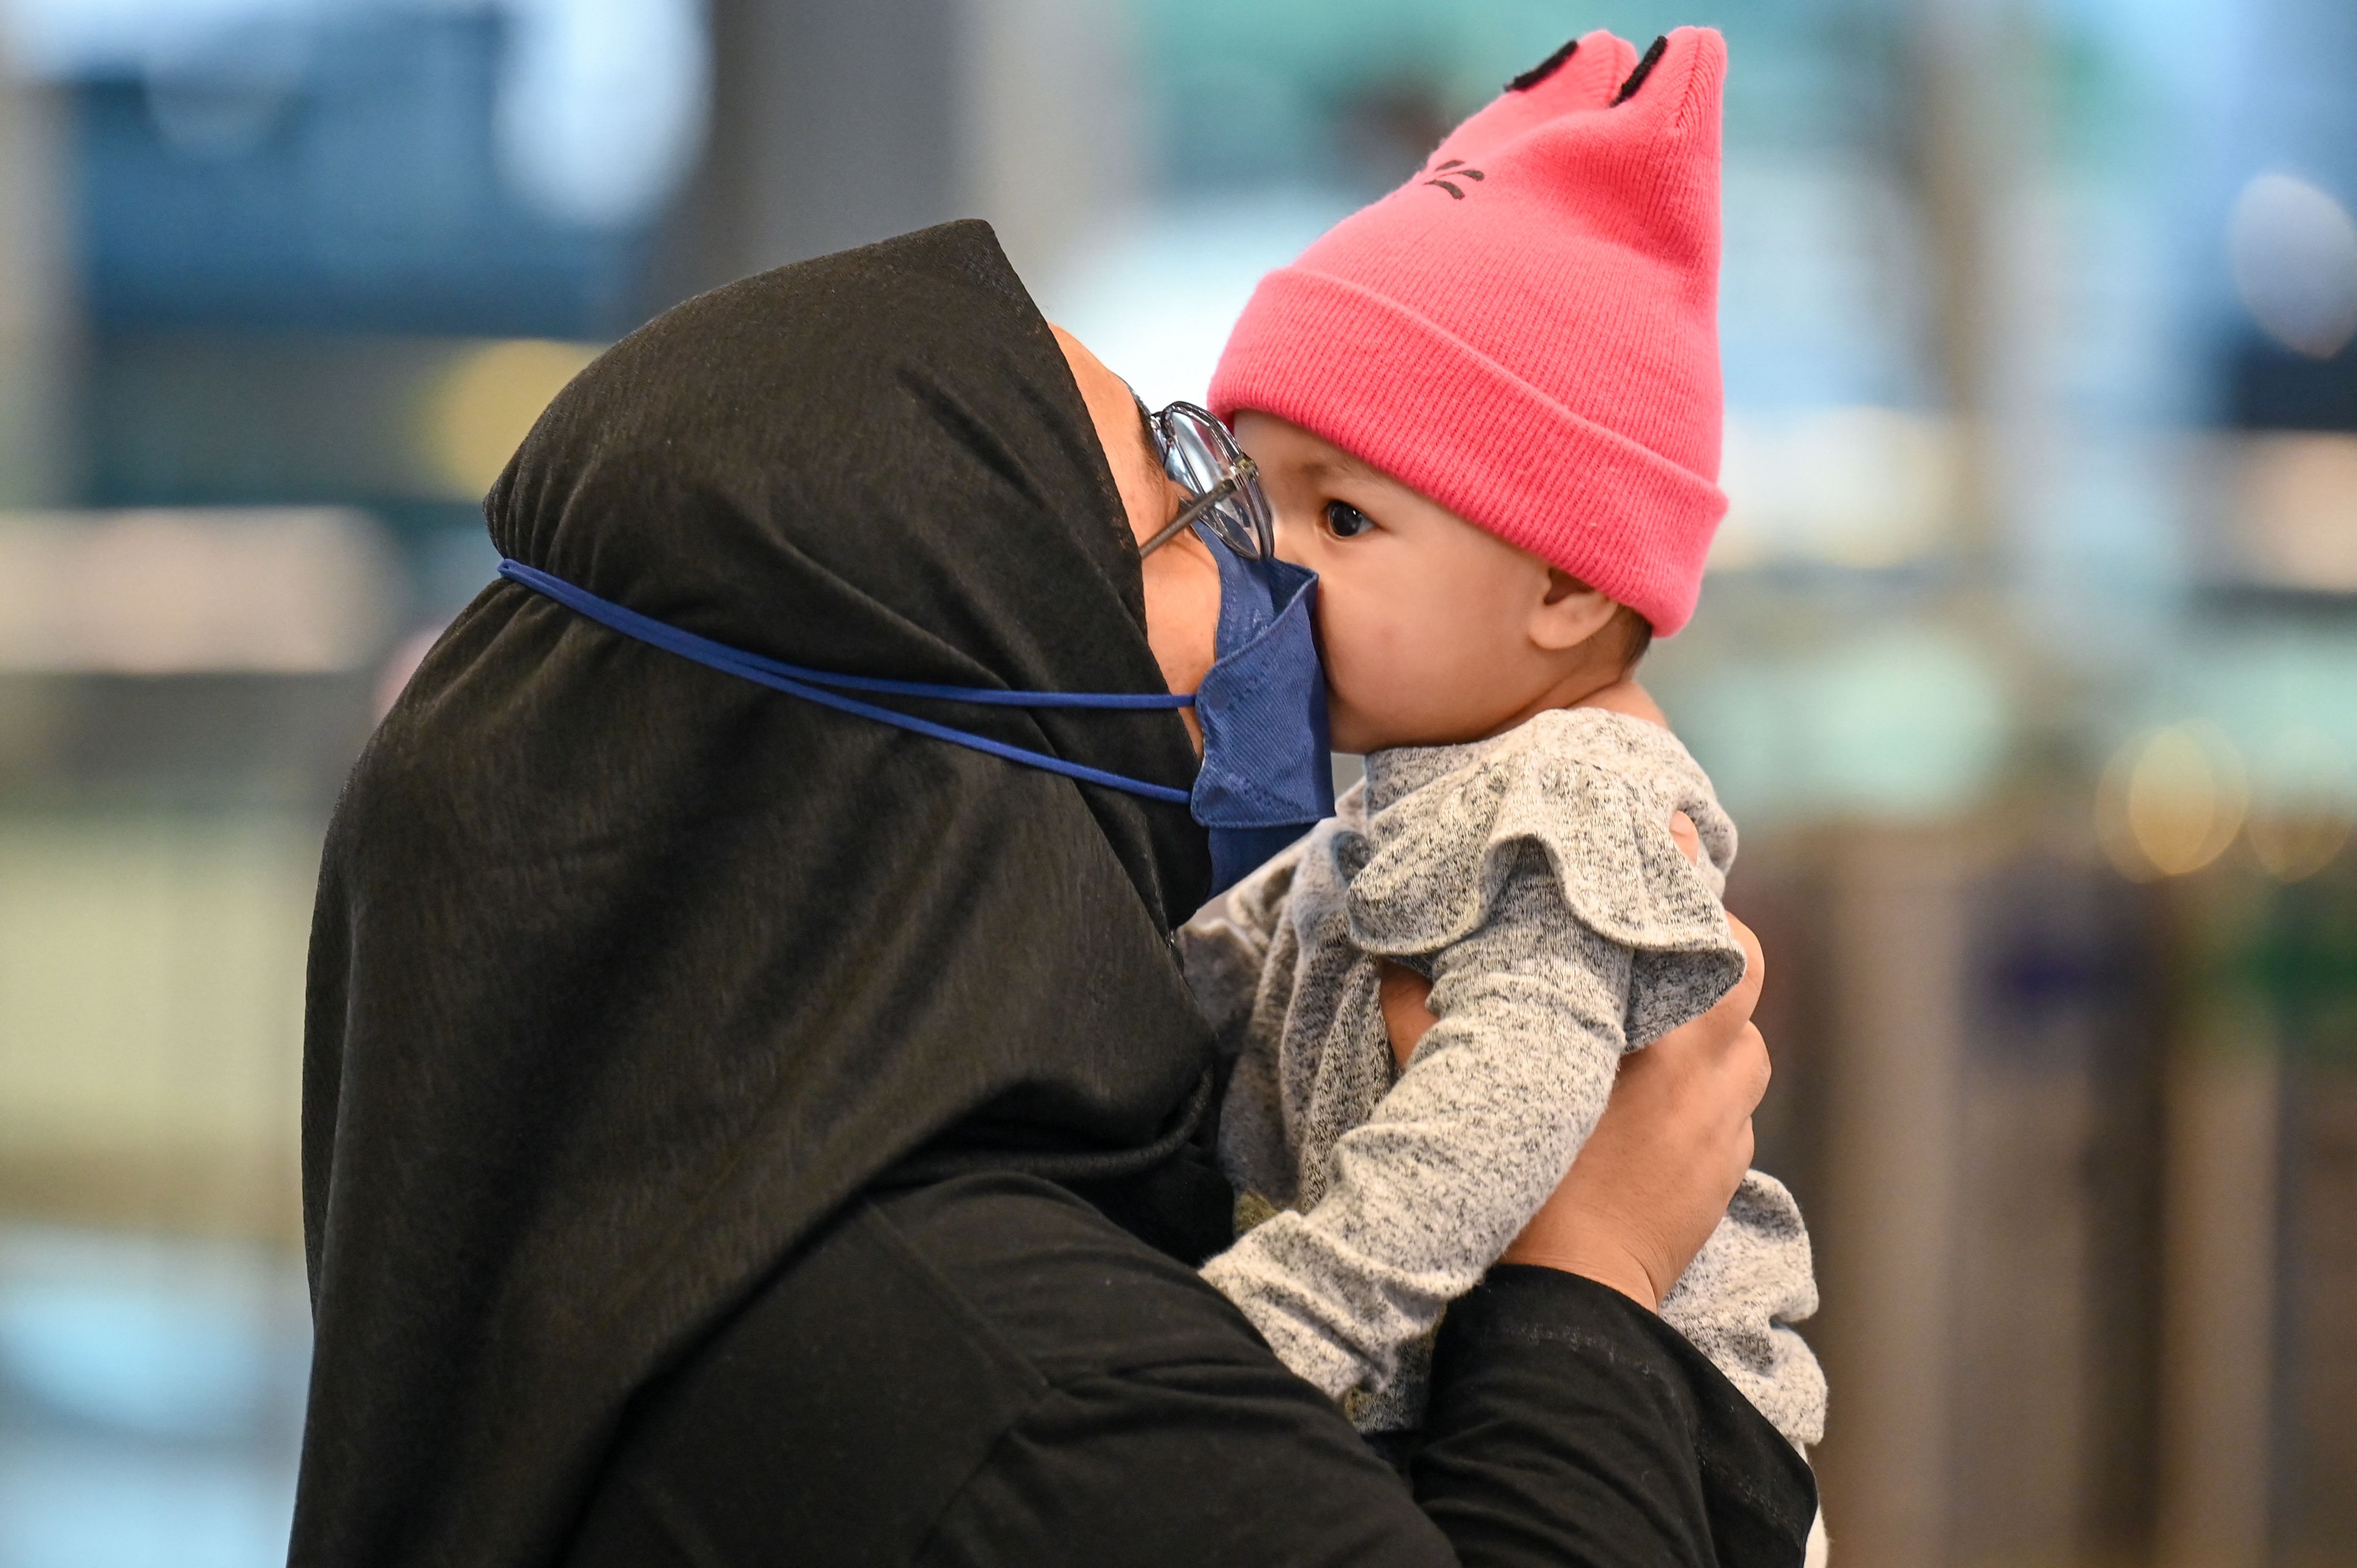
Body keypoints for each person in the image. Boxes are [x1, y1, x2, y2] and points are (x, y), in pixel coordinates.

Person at [292, 218, 1815, 1568]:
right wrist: (1590, 1271)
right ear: (987, 667)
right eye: (1190, 494)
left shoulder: (666, 1206)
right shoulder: (1027, 1403)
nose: (1265, 577)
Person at [1175, 22, 1829, 1490]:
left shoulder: (1572, 799)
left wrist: (1254, 1334)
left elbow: (1501, 1111)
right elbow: (1231, 965)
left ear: (1567, 586)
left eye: (1340, 518)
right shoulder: (1417, 790)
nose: (1264, 561)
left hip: (1671, 1449)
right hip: (1502, 1407)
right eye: (1247, 492)